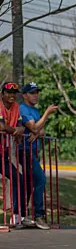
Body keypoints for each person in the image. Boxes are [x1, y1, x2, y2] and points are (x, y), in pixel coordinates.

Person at [18, 82, 58, 229]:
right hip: (25, 150)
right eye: (32, 93)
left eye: (37, 93)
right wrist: (47, 113)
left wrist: (37, 131)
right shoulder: (23, 108)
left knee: (30, 183)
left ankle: (22, 216)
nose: (36, 96)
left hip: (34, 150)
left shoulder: (35, 110)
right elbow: (34, 127)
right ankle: (39, 215)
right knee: (40, 179)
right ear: (25, 95)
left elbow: (41, 131)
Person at [0, 82, 31, 227]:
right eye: (8, 93)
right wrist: (15, 131)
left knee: (18, 178)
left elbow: (20, 126)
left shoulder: (16, 108)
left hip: (3, 154)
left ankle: (18, 216)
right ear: (2, 95)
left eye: (14, 93)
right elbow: (1, 126)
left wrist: (17, 130)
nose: (12, 95)